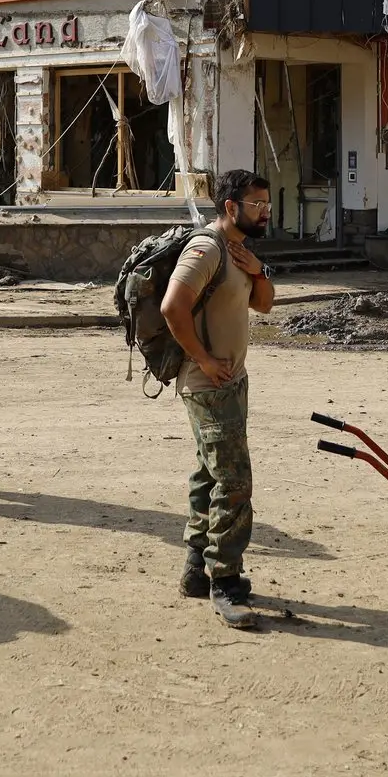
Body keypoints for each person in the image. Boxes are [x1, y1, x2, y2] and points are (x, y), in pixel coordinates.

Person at [158, 169, 276, 629]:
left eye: (267, 204)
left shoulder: (239, 251)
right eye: (256, 205)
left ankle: (194, 568)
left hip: (232, 382)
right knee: (234, 482)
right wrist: (203, 359)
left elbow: (264, 304)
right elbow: (172, 306)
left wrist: (258, 270)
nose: (265, 212)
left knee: (210, 472)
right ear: (231, 207)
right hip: (209, 385)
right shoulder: (207, 248)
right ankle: (226, 581)